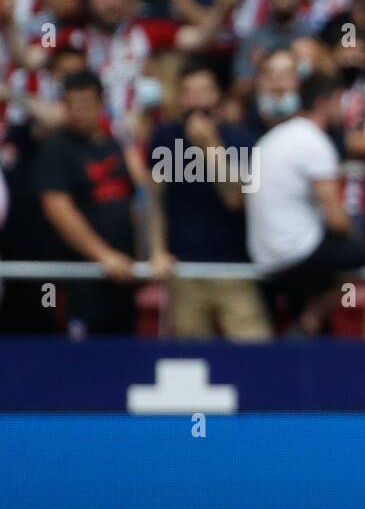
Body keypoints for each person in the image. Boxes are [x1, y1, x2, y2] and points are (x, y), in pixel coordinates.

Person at [244, 72, 365, 335]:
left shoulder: (273, 137)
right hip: (294, 253)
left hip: (262, 253)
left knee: (341, 258)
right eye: (338, 103)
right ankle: (315, 320)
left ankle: (310, 322)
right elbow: (337, 221)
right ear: (323, 103)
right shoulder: (315, 143)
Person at [147, 61, 271, 340]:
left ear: (217, 96)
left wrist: (211, 146)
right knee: (188, 359)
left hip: (235, 268)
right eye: (188, 92)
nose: (196, 99)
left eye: (203, 91)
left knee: (254, 348)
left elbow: (235, 199)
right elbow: (154, 201)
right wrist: (157, 250)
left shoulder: (241, 140)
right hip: (184, 270)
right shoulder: (165, 138)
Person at [36, 71, 161, 336]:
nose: (80, 111)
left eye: (87, 103)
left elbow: (144, 199)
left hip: (123, 279)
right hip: (80, 281)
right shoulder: (56, 150)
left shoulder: (117, 146)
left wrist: (153, 252)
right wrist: (103, 255)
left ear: (101, 104)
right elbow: (59, 211)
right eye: (73, 105)